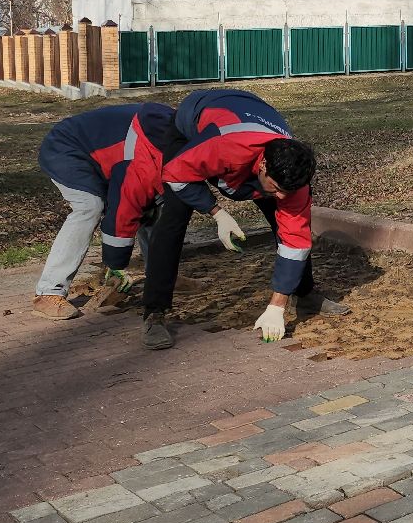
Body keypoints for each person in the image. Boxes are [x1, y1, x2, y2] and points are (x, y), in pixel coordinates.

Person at [139, 87, 345, 350]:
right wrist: (216, 212)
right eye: (277, 188)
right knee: (173, 219)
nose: (282, 196)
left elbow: (295, 240)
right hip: (194, 125)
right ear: (264, 166)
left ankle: (305, 294)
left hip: (248, 116)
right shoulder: (222, 147)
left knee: (289, 223)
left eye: (288, 191)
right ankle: (154, 313)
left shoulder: (292, 180)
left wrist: (276, 306)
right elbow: (176, 174)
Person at [32, 103, 184, 320]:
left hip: (105, 155)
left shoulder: (174, 136)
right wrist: (116, 264)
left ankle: (161, 277)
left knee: (154, 205)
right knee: (89, 207)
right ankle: (48, 292)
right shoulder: (147, 152)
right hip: (66, 148)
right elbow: (122, 208)